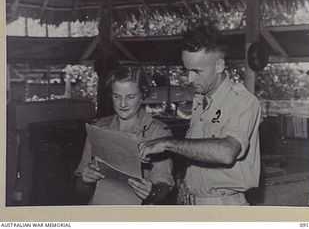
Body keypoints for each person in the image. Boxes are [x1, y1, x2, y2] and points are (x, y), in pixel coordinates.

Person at [139, 26, 261, 205]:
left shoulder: (243, 101)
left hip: (223, 208)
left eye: (197, 71)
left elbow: (227, 152)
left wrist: (167, 143)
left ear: (219, 66)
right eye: (187, 70)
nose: (189, 79)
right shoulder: (199, 101)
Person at [75, 65, 174, 205]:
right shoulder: (98, 128)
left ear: (143, 95)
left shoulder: (158, 132)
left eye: (130, 97)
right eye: (117, 96)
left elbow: (164, 187)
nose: (122, 103)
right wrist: (86, 180)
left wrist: (151, 192)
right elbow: (81, 187)